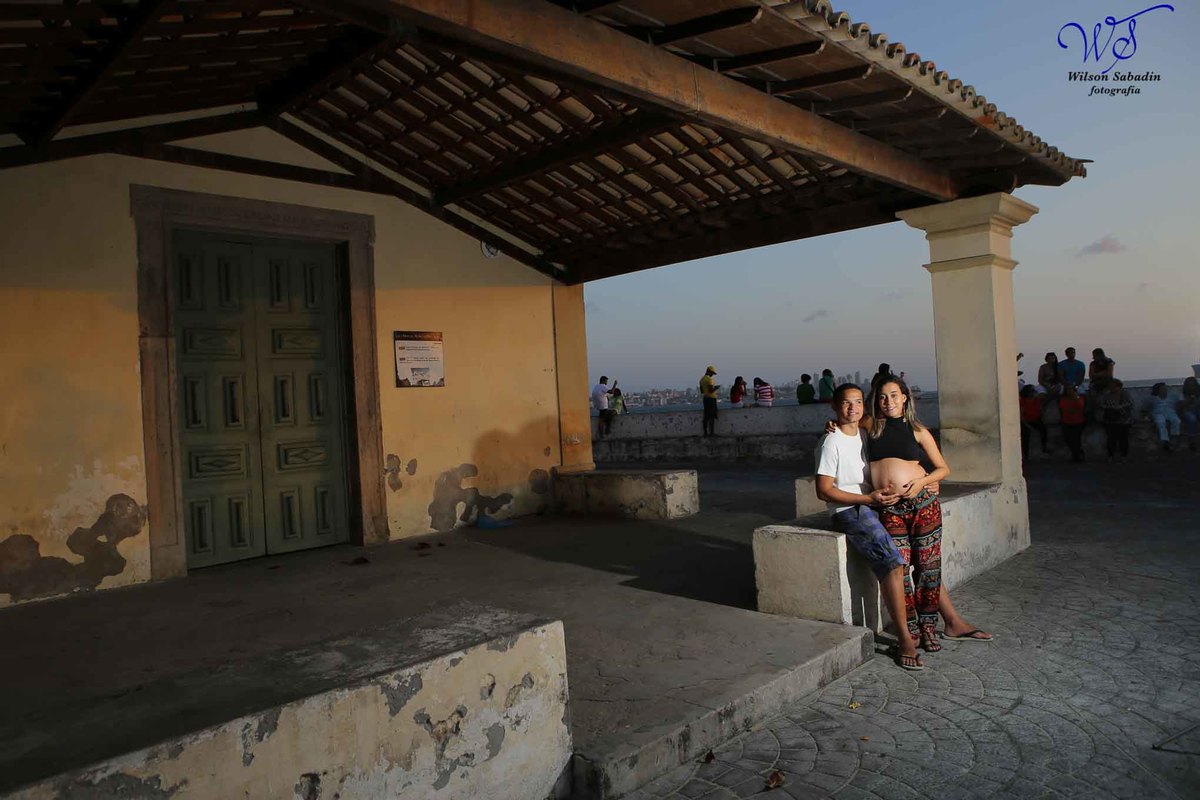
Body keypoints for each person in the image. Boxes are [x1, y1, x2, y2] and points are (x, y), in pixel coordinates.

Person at [1096, 379, 1133, 461]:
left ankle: (1123, 456)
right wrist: (1109, 407)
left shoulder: (1124, 393)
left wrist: (1120, 407)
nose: (1112, 388)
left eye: (1114, 386)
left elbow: (1130, 403)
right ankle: (1110, 456)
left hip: (1123, 420)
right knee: (1111, 439)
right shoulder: (1107, 395)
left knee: (1123, 439)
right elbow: (1101, 404)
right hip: (1110, 420)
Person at [1146, 382, 1181, 451]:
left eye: (1165, 388)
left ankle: (1174, 439)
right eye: (1162, 389)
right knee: (1161, 423)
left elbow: (1180, 403)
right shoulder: (1152, 398)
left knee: (1176, 421)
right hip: (1158, 413)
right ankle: (1165, 441)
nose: (1165, 390)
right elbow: (1146, 409)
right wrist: (1148, 416)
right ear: (1158, 390)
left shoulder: (1173, 396)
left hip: (1171, 412)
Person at [1019, 385, 1048, 461]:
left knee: (1043, 430)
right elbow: (1022, 416)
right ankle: (1026, 455)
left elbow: (1041, 412)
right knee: (1025, 435)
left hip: (1036, 420)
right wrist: (1028, 426)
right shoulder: (1022, 401)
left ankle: (1044, 448)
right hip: (1026, 421)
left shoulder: (1036, 401)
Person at [1059, 384, 1086, 462]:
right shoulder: (1063, 399)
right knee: (1067, 438)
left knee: (1076, 440)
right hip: (1066, 421)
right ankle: (1076, 454)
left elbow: (1080, 407)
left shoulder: (1079, 398)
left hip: (1078, 421)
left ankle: (1077, 456)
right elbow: (1064, 408)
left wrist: (1075, 398)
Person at [1180, 377, 1200, 452]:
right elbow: (1181, 404)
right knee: (1192, 419)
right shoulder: (1183, 394)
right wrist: (1188, 400)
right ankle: (1192, 441)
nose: (1191, 386)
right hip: (1188, 411)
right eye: (1189, 384)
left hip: (1198, 409)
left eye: (1193, 384)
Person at [699, 365, 720, 437]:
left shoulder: (701, 380)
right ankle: (712, 433)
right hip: (711, 398)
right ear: (709, 372)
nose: (712, 375)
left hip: (705, 398)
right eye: (712, 373)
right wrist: (716, 388)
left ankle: (705, 433)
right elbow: (711, 390)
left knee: (706, 416)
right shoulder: (709, 380)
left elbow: (702, 391)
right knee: (712, 416)